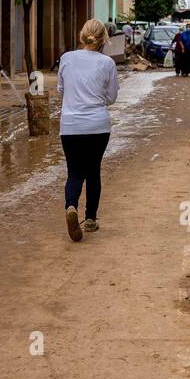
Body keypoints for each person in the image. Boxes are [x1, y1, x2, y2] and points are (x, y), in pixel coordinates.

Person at [58, 19, 119, 241]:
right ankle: (91, 219)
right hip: (97, 126)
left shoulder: (66, 58)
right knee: (93, 170)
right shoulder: (107, 63)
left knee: (74, 171)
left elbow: (61, 91)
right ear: (104, 39)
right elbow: (112, 97)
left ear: (82, 35)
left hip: (70, 125)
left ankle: (71, 206)